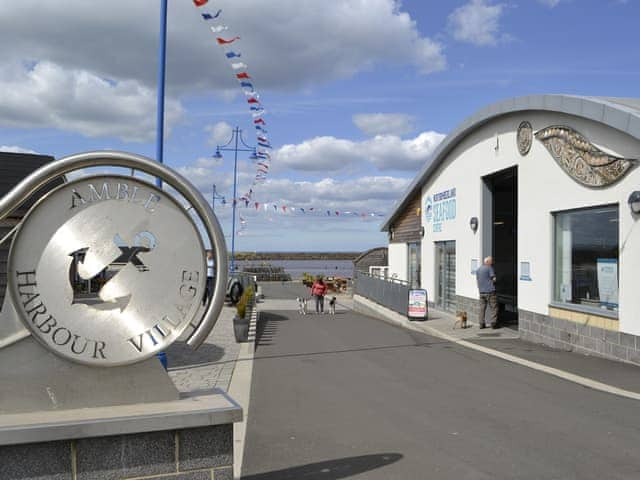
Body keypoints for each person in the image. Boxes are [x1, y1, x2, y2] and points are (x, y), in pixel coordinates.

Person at [476, 256, 498, 329]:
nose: (492, 262)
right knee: (494, 307)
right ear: (487, 262)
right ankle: (493, 324)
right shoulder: (489, 268)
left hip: (481, 292)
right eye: (491, 261)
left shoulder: (478, 269)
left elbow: (478, 280)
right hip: (490, 291)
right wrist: (495, 279)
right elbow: (493, 279)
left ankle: (481, 324)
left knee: (482, 308)